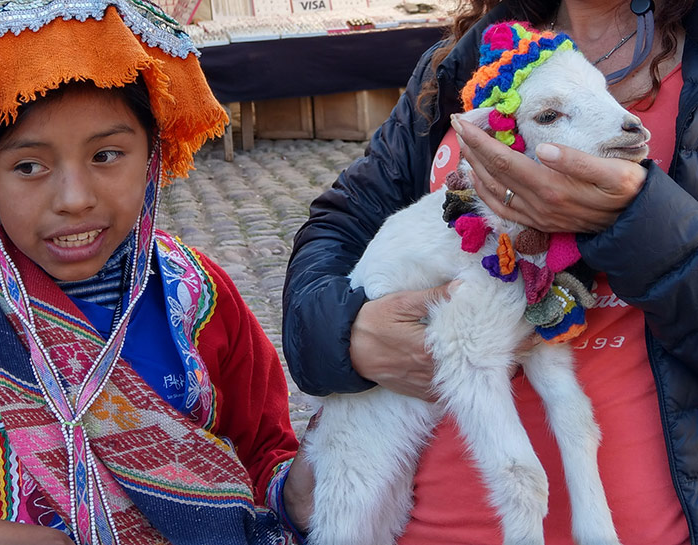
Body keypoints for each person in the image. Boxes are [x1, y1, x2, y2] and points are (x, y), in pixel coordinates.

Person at [0, 0, 312, 543]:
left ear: (152, 155)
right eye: (29, 166)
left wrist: (306, 485)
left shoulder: (198, 296)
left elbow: (262, 455)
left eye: (107, 155)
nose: (75, 199)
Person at [283, 0, 698, 543]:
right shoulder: (463, 60)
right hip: (409, 520)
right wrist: (345, 334)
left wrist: (638, 221)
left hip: (636, 520)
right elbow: (339, 226)